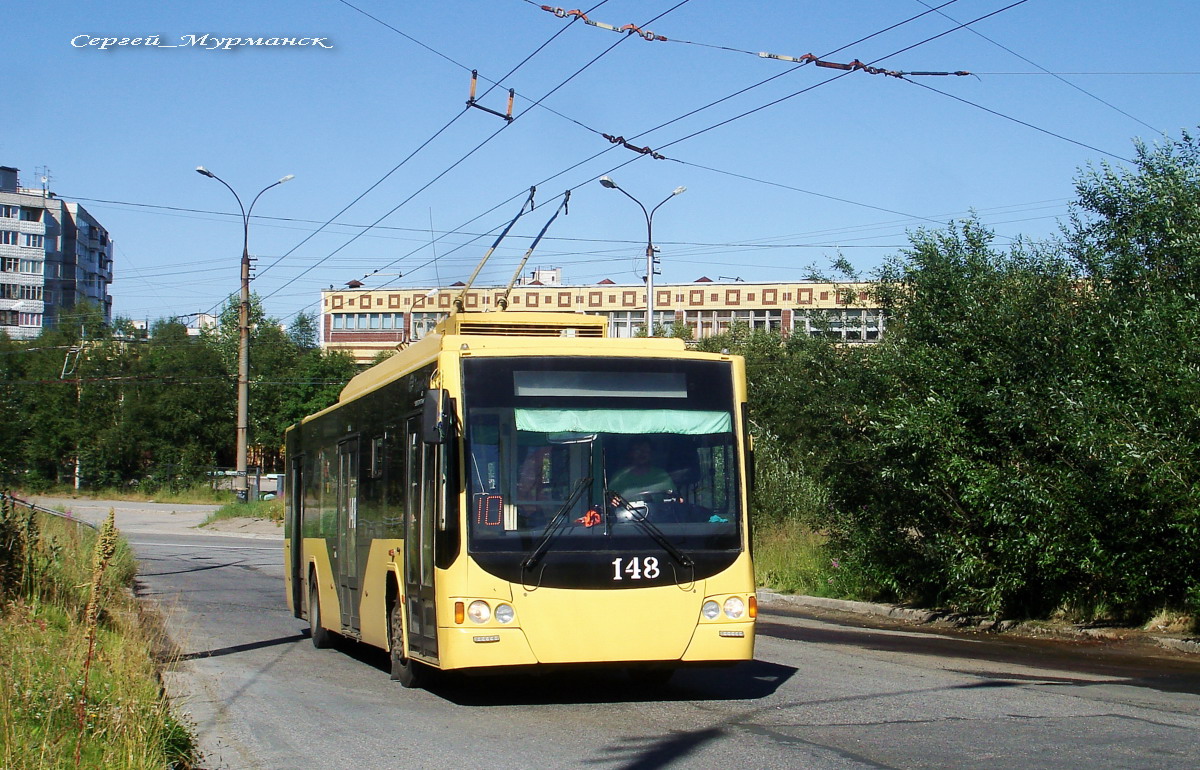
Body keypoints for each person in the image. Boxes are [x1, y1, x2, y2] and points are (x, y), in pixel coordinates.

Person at [608, 438, 673, 501]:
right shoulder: (619, 477)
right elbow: (610, 498)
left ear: (651, 453)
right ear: (630, 453)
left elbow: (673, 497)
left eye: (646, 450)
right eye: (637, 450)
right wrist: (613, 500)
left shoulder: (662, 475)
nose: (642, 453)